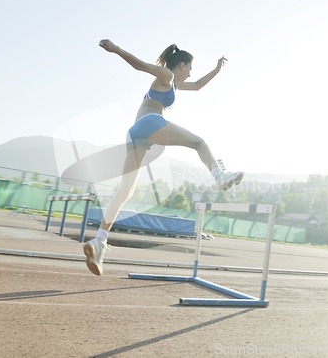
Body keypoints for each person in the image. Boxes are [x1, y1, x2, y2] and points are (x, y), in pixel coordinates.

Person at [84, 39, 244, 276]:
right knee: (199, 142)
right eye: (189, 68)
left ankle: (99, 241)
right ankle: (219, 176)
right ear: (181, 65)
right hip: (151, 124)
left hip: (136, 134)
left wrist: (218, 69)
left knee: (125, 192)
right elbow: (140, 65)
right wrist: (116, 49)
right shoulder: (166, 76)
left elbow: (199, 85)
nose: (190, 73)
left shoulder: (175, 85)